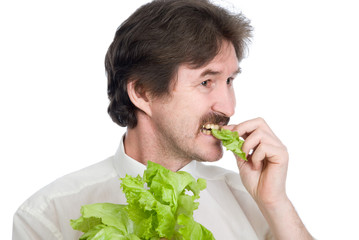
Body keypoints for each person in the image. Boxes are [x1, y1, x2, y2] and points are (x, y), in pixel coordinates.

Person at [13, 0, 313, 239]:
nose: (229, 107)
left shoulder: (254, 203)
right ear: (142, 92)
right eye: (206, 82)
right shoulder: (47, 215)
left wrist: (276, 203)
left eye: (230, 81)